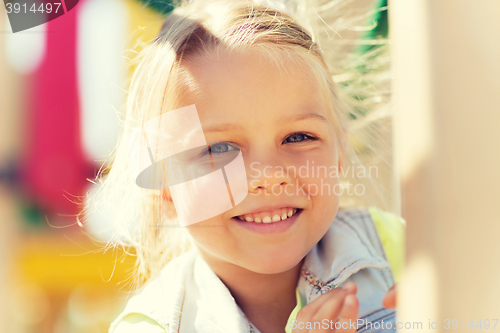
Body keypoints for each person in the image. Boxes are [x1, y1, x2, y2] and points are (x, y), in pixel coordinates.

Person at [87, 0, 405, 331]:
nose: (269, 175)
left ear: (339, 153)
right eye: (220, 148)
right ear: (165, 191)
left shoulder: (404, 251)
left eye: (297, 137)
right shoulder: (156, 325)